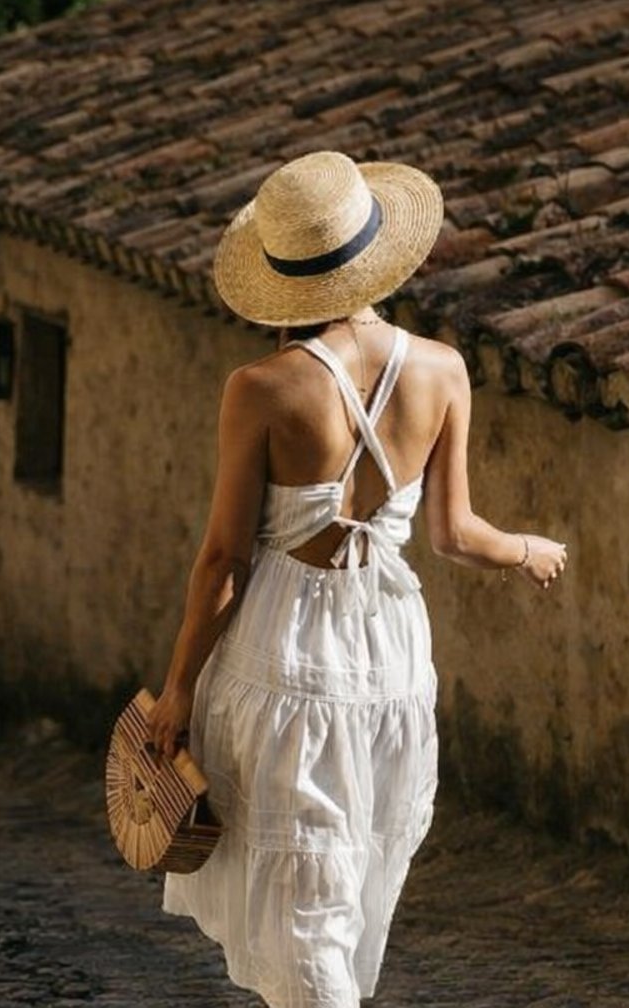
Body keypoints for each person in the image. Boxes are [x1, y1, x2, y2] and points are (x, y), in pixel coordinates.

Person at [151, 149, 567, 1008]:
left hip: (287, 644)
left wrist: (177, 688)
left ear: (283, 280)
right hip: (388, 645)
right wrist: (528, 549)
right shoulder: (442, 369)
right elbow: (455, 535)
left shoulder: (261, 388)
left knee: (306, 891)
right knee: (350, 868)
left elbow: (225, 558)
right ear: (374, 255)